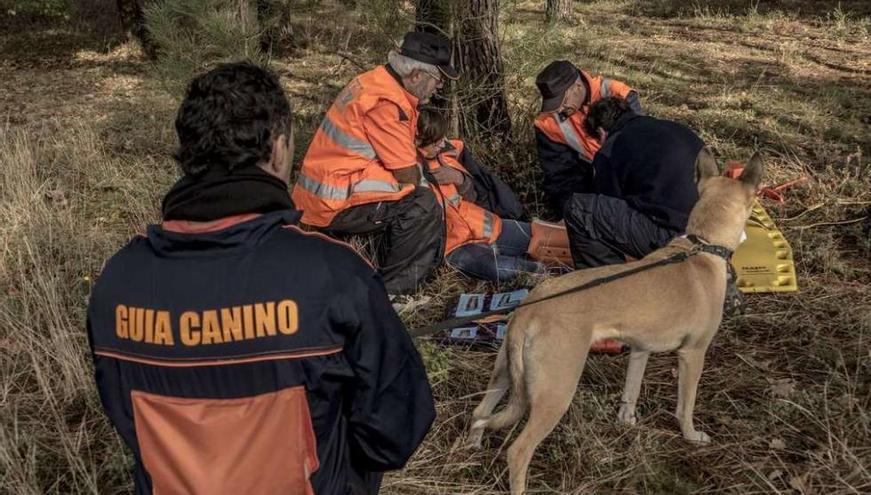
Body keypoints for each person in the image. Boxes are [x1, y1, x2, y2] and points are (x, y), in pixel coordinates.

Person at [87, 62, 435, 495]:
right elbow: (395, 433)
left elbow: (125, 420)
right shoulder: (335, 274)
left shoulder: (117, 282)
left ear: (188, 154)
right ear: (278, 149)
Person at [292, 31, 459, 295]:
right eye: (437, 80)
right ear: (416, 76)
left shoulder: (375, 82)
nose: (439, 87)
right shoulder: (387, 104)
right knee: (422, 203)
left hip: (322, 192)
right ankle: (393, 294)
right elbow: (407, 174)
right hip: (333, 201)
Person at [417, 108, 572, 281]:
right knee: (506, 269)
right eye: (435, 142)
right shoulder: (409, 171)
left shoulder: (448, 156)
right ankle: (547, 276)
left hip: (489, 228)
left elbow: (476, 196)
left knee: (554, 241)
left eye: (442, 139)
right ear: (418, 140)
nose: (441, 144)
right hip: (456, 247)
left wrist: (460, 179)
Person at [563, 96, 704, 268]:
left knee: (579, 210)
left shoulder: (610, 149)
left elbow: (609, 207)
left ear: (601, 132)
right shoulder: (672, 129)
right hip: (710, 231)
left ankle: (604, 286)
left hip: (673, 238)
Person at [533, 60, 642, 219]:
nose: (558, 109)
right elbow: (561, 178)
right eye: (552, 103)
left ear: (577, 88)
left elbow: (640, 147)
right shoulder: (547, 124)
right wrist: (573, 214)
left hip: (632, 177)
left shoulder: (618, 93)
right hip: (593, 184)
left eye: (562, 102)